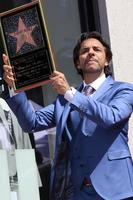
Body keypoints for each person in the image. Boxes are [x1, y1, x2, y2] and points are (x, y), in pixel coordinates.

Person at [2, 31, 133, 200]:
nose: (91, 52)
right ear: (78, 63)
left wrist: (70, 93)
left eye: (97, 49)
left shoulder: (123, 90)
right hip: (78, 192)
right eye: (84, 51)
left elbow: (111, 117)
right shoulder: (65, 99)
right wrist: (14, 88)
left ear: (107, 60)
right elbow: (31, 123)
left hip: (116, 189)